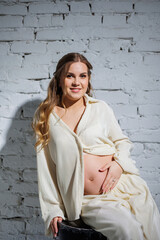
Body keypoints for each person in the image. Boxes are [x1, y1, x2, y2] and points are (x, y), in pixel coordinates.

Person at [32, 52, 160, 240]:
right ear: (59, 80)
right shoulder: (46, 116)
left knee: (153, 231)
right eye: (70, 76)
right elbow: (46, 169)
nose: (77, 82)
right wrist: (52, 209)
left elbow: (122, 142)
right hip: (90, 200)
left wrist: (119, 165)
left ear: (88, 79)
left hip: (126, 186)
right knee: (127, 230)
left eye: (82, 76)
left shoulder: (100, 108)